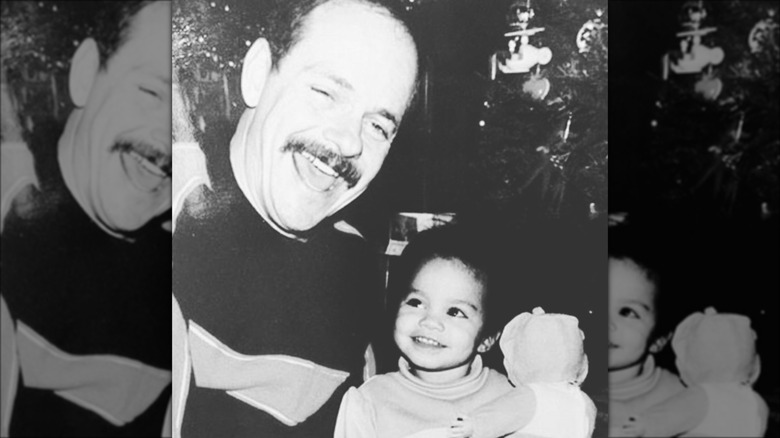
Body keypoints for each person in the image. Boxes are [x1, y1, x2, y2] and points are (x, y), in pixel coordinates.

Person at [171, 0, 420, 436]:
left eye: (378, 126)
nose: (348, 143)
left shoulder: (355, 262)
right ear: (257, 74)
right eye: (325, 93)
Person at [1, 1, 172, 436]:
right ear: (85, 73)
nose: (168, 139)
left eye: (192, 118)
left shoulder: (186, 292)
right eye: (152, 93)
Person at [334, 225, 541, 438]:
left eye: (455, 312)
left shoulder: (511, 398)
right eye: (416, 302)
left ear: (487, 339)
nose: (430, 321)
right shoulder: (370, 401)